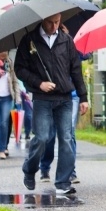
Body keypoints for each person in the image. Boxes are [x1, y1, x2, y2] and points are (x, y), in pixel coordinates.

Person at [15, 13, 88, 194]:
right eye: (50, 22)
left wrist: (83, 97)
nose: (54, 26)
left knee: (66, 138)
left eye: (57, 22)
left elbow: (76, 69)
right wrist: (39, 83)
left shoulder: (66, 40)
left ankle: (63, 182)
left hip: (64, 98)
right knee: (41, 138)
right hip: (42, 98)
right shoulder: (29, 40)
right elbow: (19, 69)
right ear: (43, 20)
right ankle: (29, 170)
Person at [0, 51, 20, 159]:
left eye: (6, 51)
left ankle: (2, 149)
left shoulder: (10, 63)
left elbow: (15, 81)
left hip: (7, 98)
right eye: (2, 51)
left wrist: (18, 97)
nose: (4, 53)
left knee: (4, 124)